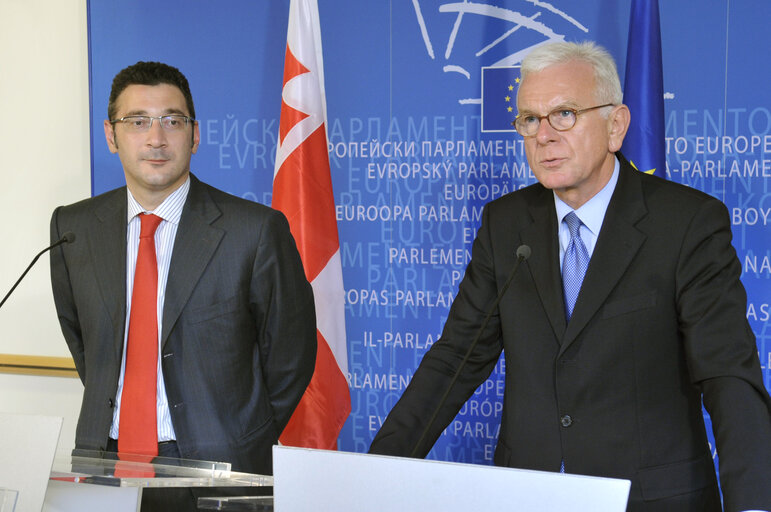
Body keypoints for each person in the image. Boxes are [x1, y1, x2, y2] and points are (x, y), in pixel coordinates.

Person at [369, 41, 771, 511]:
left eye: (564, 114)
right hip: (528, 496)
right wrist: (373, 477)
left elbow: (727, 375)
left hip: (649, 500)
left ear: (615, 125)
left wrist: (753, 504)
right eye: (530, 120)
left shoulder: (686, 224)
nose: (543, 136)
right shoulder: (506, 224)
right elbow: (456, 358)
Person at [50, 61, 316, 478]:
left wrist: (237, 433)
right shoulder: (74, 228)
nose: (156, 138)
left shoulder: (254, 230)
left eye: (172, 121)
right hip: (103, 459)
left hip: (217, 466)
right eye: (137, 121)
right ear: (110, 135)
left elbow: (291, 358)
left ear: (195, 135)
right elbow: (85, 343)